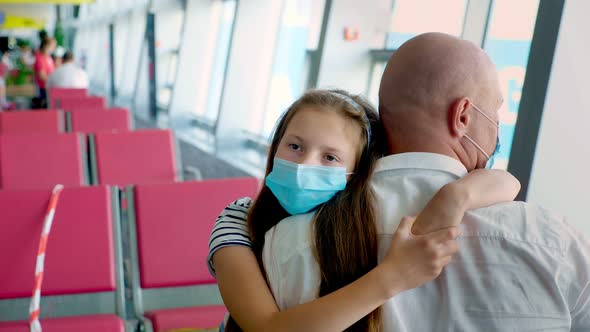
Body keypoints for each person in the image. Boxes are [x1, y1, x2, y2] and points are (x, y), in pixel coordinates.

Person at [261, 33, 590, 330]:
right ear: (463, 116)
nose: (497, 126)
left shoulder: (287, 240)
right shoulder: (548, 240)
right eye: (495, 110)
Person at [208, 88, 521, 331]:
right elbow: (266, 328)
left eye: (330, 158)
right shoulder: (239, 218)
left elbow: (508, 182)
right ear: (276, 145)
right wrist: (393, 276)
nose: (305, 164)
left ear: (357, 171)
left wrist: (455, 196)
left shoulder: (362, 215)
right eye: (295, 146)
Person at [33, 37, 56, 108]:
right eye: (52, 46)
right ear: (46, 46)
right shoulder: (40, 58)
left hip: (49, 88)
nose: (54, 48)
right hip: (43, 89)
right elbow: (42, 76)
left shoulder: (48, 57)